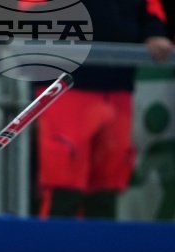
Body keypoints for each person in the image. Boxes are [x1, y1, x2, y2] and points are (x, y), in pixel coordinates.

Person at [33, 0, 174, 220]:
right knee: (62, 186)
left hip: (118, 85)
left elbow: (151, 10)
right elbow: (29, 12)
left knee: (108, 188)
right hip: (65, 85)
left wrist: (155, 33)